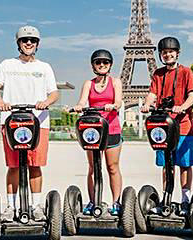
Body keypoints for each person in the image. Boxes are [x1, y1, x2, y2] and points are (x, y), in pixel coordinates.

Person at [0, 25, 59, 222]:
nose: (29, 43)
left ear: (37, 44)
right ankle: (10, 207)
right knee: (13, 166)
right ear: (18, 43)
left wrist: (46, 101)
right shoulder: (7, 65)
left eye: (33, 40)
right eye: (25, 40)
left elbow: (54, 92)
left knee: (35, 165)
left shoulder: (44, 67)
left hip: (39, 123)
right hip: (11, 122)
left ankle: (36, 206)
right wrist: (0, 102)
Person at [141, 36, 193, 215]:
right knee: (167, 165)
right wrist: (147, 104)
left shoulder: (186, 72)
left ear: (177, 53)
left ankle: (185, 198)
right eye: (164, 52)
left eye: (171, 52)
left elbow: (192, 96)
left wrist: (182, 107)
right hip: (163, 127)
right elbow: (152, 94)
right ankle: (167, 197)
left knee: (184, 164)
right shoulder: (158, 74)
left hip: (182, 125)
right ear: (161, 55)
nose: (168, 55)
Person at [73, 49, 123, 215]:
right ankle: (93, 201)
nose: (102, 65)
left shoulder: (116, 82)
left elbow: (118, 102)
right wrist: (79, 106)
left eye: (105, 62)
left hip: (112, 128)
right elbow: (82, 100)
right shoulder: (89, 83)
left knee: (112, 167)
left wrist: (113, 105)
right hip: (93, 130)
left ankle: (116, 202)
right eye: (98, 62)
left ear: (110, 65)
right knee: (93, 167)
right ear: (93, 65)